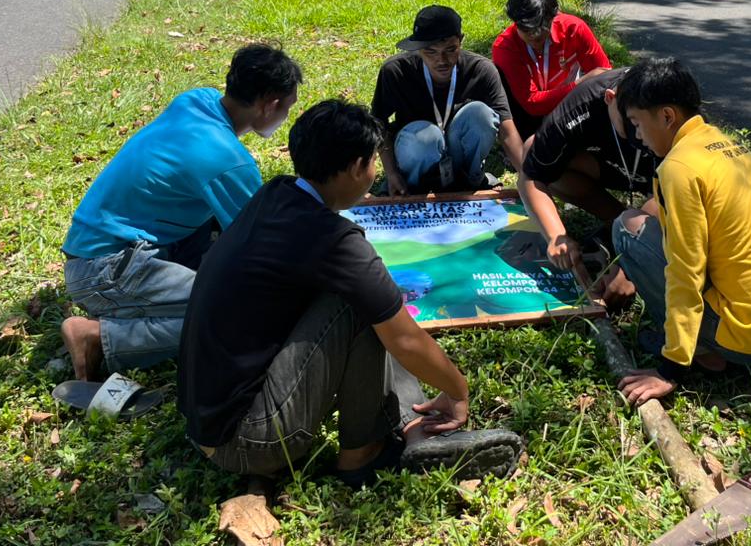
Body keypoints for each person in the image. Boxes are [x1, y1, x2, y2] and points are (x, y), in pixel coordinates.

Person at [178, 99, 524, 486]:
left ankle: (412, 425)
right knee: (359, 305)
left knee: (368, 297)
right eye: (374, 160)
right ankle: (363, 456)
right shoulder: (335, 243)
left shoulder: (276, 193)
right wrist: (457, 390)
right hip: (247, 440)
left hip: (207, 421)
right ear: (359, 167)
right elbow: (405, 339)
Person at [59, 44, 302, 381]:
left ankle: (151, 303)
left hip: (101, 246)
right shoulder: (226, 160)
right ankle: (98, 337)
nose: (284, 117)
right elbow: (269, 245)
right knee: (238, 315)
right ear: (269, 105)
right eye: (286, 108)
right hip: (105, 271)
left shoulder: (197, 99)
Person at [611, 58, 751, 407]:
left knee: (627, 228)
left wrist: (670, 368)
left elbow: (685, 271)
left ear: (666, 116)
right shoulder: (722, 143)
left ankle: (703, 349)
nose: (637, 135)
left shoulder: (679, 168)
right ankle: (712, 340)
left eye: (637, 123)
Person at [516, 66, 654, 304]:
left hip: (660, 183)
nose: (638, 134)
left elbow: (676, 197)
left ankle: (632, 231)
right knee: (533, 148)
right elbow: (531, 175)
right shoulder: (583, 106)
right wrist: (557, 237)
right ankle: (617, 221)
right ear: (610, 99)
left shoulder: (672, 113)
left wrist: (630, 265)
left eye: (642, 125)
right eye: (630, 123)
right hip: (610, 167)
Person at [372, 5, 525, 194]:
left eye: (450, 49)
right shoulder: (395, 71)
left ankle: (469, 179)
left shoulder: (482, 70)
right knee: (425, 139)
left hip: (458, 149)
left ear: (461, 41)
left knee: (481, 115)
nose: (441, 60)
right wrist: (392, 174)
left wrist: (528, 177)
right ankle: (412, 186)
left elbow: (507, 130)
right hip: (419, 149)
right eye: (431, 52)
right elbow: (378, 124)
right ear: (418, 49)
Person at [491, 0, 611, 139]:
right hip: (526, 118)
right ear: (515, 23)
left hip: (569, 109)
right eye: (527, 30)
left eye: (543, 26)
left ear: (555, 15)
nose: (535, 35)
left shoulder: (574, 29)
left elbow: (606, 77)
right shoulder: (505, 47)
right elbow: (532, 103)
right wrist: (581, 85)